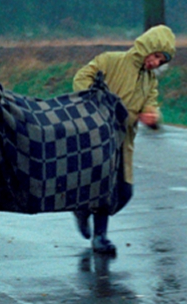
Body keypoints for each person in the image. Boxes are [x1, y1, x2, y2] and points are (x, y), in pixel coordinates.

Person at [71, 25, 176, 254]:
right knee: (101, 186)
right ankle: (100, 236)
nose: (156, 63)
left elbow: (151, 101)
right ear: (147, 47)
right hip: (98, 137)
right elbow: (82, 78)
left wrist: (152, 115)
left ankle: (84, 211)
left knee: (124, 191)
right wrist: (96, 104)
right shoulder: (111, 60)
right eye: (156, 55)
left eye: (162, 61)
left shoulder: (150, 81)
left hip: (124, 141)